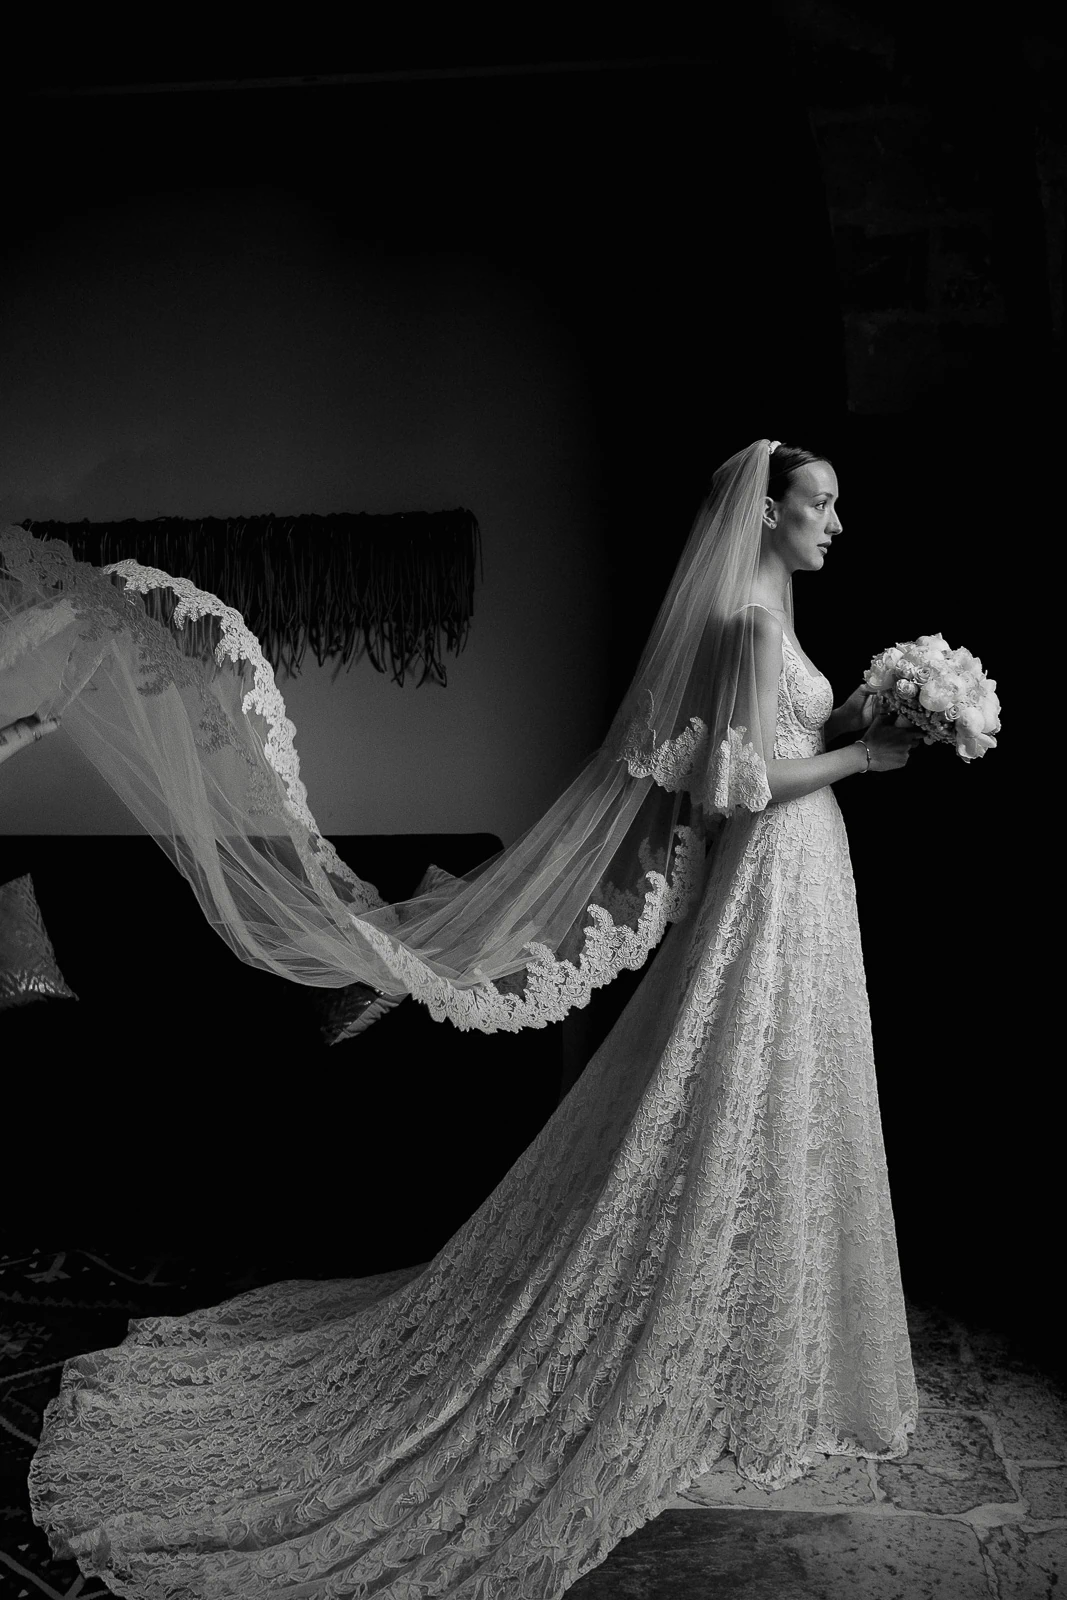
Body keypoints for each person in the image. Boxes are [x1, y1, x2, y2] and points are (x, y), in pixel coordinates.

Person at [20, 439, 923, 1599]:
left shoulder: (765, 617)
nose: (835, 522)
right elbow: (730, 788)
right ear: (767, 514)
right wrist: (862, 751)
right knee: (743, 1101)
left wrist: (857, 713)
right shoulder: (746, 625)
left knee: (785, 1103)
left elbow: (763, 750)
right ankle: (709, 1359)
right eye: (821, 504)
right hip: (775, 877)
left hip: (800, 877)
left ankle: (763, 1359)